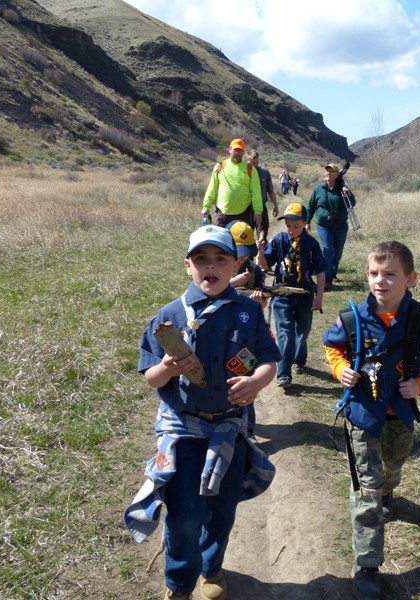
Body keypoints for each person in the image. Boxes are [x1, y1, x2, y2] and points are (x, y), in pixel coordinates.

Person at [125, 225, 280, 600]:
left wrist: (256, 383)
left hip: (229, 428)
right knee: (184, 515)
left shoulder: (247, 311)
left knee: (222, 510)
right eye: (201, 260)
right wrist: (168, 368)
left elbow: (269, 361)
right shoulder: (170, 315)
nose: (210, 267)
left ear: (236, 265)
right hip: (184, 431)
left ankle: (212, 568)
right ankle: (179, 584)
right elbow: (151, 377)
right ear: (188, 266)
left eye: (220, 259)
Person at [322, 241, 420, 600]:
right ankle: (367, 565)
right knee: (366, 489)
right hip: (362, 415)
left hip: (400, 414)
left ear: (410, 279)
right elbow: (332, 346)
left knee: (392, 467)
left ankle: (388, 489)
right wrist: (340, 370)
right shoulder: (352, 316)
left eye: (390, 274)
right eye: (373, 273)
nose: (380, 281)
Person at [256, 202, 327, 388]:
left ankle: (299, 360)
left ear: (305, 223)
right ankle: (284, 374)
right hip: (282, 293)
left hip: (304, 293)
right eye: (288, 225)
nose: (291, 229)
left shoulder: (311, 244)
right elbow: (265, 266)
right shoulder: (279, 240)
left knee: (302, 332)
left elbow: (320, 271)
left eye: (296, 225)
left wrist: (319, 296)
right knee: (285, 333)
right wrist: (260, 251)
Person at [226, 219, 268, 438]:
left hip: (245, 338)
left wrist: (260, 303)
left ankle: (247, 428)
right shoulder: (214, 268)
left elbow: (263, 301)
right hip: (219, 334)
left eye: (245, 254)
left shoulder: (253, 271)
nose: (241, 258)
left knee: (244, 378)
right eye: (236, 252)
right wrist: (233, 282)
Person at [307, 163, 356, 290]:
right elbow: (311, 206)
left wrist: (348, 192)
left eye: (331, 171)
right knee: (327, 250)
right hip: (324, 225)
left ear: (336, 174)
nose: (328, 173)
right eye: (327, 171)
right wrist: (307, 221)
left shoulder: (342, 188)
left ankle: (332, 273)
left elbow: (352, 204)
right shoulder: (319, 189)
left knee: (337, 253)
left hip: (340, 225)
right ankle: (327, 279)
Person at [202, 138, 263, 229]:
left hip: (243, 214)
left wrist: (258, 211)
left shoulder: (250, 169)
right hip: (223, 214)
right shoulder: (220, 166)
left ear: (243, 152)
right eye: (235, 150)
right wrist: (206, 206)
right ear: (230, 150)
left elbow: (256, 192)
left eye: (240, 150)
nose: (237, 153)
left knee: (243, 242)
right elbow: (212, 188)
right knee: (220, 241)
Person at [245, 149, 278, 243]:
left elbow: (270, 190)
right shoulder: (243, 173)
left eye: (256, 162)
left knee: (262, 234)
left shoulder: (264, 172)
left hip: (262, 207)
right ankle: (248, 257)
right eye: (252, 163)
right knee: (246, 235)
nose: (255, 165)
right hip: (247, 208)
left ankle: (262, 255)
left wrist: (275, 205)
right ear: (247, 161)